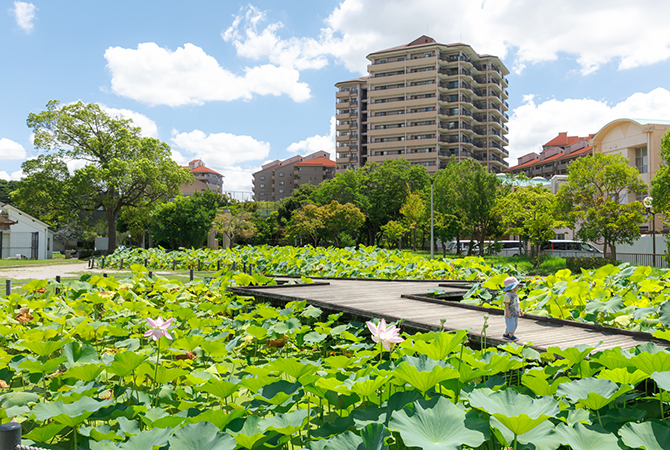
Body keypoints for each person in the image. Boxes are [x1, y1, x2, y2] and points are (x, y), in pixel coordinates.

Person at [502, 276, 523, 341]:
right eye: (516, 286)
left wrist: (520, 310)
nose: (517, 287)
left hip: (515, 312)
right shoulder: (507, 295)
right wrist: (507, 312)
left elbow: (517, 303)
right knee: (511, 324)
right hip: (510, 312)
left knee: (514, 324)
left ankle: (506, 334)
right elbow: (506, 304)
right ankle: (511, 336)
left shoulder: (515, 294)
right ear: (512, 287)